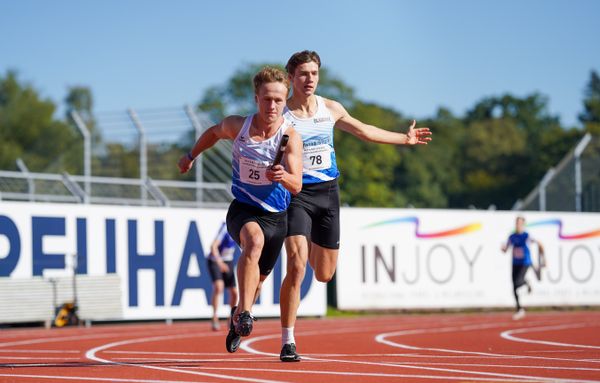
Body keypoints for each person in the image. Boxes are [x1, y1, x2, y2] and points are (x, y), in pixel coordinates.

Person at [279, 50, 433, 362]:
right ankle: (288, 341)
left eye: (314, 74)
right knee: (296, 264)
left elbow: (364, 131)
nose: (309, 79)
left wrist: (404, 139)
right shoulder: (281, 113)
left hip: (328, 194)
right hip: (296, 194)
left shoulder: (330, 108)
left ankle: (306, 236)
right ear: (291, 78)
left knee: (323, 274)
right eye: (303, 74)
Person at [178, 66, 303, 353]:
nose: (272, 106)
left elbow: (296, 185)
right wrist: (190, 155)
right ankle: (245, 313)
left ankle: (238, 314)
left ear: (286, 102)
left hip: (276, 217)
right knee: (253, 242)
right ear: (256, 98)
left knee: (256, 282)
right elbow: (212, 133)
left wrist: (283, 176)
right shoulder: (239, 126)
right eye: (267, 99)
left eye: (279, 101)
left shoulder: (290, 136)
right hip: (243, 209)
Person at [501, 216, 545, 320]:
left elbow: (540, 244)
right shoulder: (512, 236)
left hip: (525, 263)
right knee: (514, 287)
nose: (518, 225)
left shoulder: (527, 236)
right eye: (517, 223)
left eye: (520, 223)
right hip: (515, 263)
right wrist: (503, 248)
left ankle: (527, 283)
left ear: (523, 225)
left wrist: (543, 258)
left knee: (518, 282)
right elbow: (506, 249)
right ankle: (519, 309)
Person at [206, 222, 238, 331]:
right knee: (219, 287)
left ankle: (231, 318)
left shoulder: (242, 226)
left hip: (228, 260)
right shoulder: (226, 227)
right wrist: (220, 263)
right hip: (215, 260)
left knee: (234, 292)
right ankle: (215, 317)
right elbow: (213, 246)